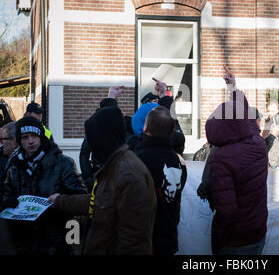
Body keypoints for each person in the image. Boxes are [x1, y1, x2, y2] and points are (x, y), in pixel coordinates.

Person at [48, 106, 157, 255]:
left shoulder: (129, 175)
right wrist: (59, 200)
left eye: (92, 140)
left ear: (103, 139)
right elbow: (97, 202)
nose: (91, 148)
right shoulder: (112, 166)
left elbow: (134, 242)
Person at [205, 64, 268, 255]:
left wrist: (219, 240)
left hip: (235, 241)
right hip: (258, 230)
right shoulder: (257, 142)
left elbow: (227, 211)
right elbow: (246, 116)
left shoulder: (221, 160)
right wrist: (233, 88)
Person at [1, 116, 86, 254]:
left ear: (41, 136)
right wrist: (8, 203)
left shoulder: (63, 163)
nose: (30, 141)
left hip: (56, 240)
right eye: (25, 137)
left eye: (34, 136)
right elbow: (7, 193)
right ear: (19, 141)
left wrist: (59, 202)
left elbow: (80, 199)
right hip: (25, 242)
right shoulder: (14, 166)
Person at [134, 106, 187, 255]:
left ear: (145, 128)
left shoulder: (136, 160)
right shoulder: (179, 162)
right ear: (171, 133)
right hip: (168, 239)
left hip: (142, 242)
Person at [79, 87, 122, 192]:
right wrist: (88, 176)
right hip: (99, 174)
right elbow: (84, 152)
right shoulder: (95, 130)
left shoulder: (119, 129)